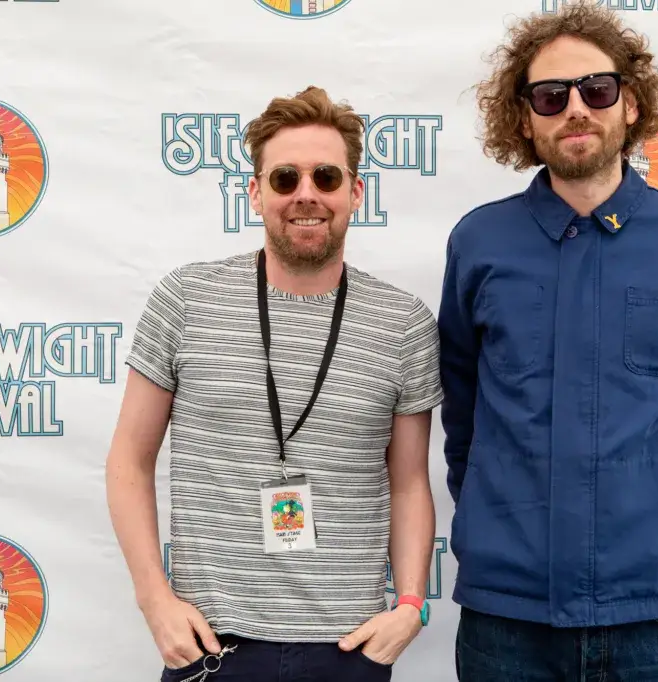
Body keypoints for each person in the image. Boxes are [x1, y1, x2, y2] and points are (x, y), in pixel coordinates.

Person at [437, 3, 658, 680]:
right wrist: (500, 529)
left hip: (654, 615)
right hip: (507, 622)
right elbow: (461, 418)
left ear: (630, 104)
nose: (575, 108)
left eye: (596, 90)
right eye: (551, 96)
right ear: (524, 119)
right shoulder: (478, 243)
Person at [105, 86, 443, 682]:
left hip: (350, 647)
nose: (306, 194)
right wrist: (153, 600)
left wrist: (410, 606)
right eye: (285, 178)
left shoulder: (403, 322)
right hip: (212, 642)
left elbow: (411, 481)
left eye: (326, 177)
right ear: (256, 192)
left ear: (355, 192)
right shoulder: (187, 298)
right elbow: (129, 460)